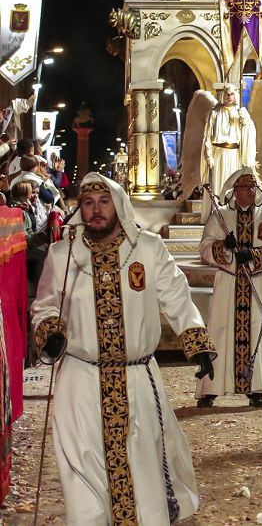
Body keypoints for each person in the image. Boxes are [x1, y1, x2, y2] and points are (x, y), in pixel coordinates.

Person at [31, 173, 215, 524]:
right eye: (88, 203)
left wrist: (196, 340)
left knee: (142, 461)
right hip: (79, 378)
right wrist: (50, 332)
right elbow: (45, 306)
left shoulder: (146, 248)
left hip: (136, 378)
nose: (96, 210)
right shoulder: (62, 253)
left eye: (104, 202)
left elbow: (176, 296)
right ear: (79, 209)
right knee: (81, 464)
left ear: (118, 205)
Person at [197, 167, 262, 408]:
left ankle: (256, 388)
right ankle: (212, 388)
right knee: (221, 330)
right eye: (244, 187)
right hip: (229, 282)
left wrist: (251, 254)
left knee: (257, 331)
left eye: (252, 187)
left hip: (258, 281)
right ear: (235, 191)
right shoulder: (219, 216)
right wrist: (225, 248)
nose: (249, 191)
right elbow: (205, 246)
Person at [202, 84, 256, 221]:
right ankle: (216, 214)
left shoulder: (240, 113)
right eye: (226, 94)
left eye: (231, 94)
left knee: (232, 185)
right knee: (218, 184)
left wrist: (245, 121)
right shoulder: (214, 113)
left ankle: (232, 213)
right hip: (218, 154)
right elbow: (207, 137)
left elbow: (248, 134)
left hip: (234, 155)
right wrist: (208, 154)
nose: (228, 97)